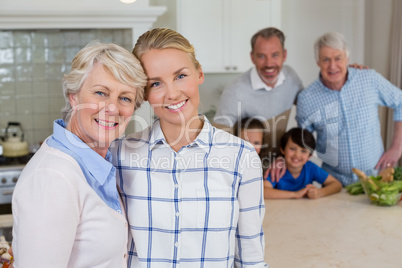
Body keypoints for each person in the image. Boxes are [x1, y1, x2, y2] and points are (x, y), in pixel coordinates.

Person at [111, 28, 267, 267]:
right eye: (156, 83)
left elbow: (250, 258)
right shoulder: (120, 155)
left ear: (199, 73)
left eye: (180, 76)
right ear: (144, 92)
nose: (172, 94)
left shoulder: (241, 157)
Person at [11, 41, 147, 267]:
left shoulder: (99, 163)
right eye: (101, 92)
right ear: (74, 96)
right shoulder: (53, 177)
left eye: (125, 98)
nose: (112, 108)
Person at [296, 32, 402, 186]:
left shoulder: (369, 79)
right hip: (334, 184)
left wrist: (397, 147)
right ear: (317, 62)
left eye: (338, 58)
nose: (332, 66)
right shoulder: (306, 99)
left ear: (347, 58)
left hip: (377, 179)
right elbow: (303, 142)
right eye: (326, 59)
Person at [214, 27, 303, 161]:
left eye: (275, 55)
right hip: (246, 164)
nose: (269, 64)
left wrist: (344, 80)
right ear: (252, 57)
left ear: (284, 55)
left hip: (279, 164)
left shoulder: (291, 78)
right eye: (261, 56)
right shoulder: (236, 91)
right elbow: (219, 140)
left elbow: (309, 103)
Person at [264, 128, 342, 199]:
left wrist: (319, 192)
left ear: (310, 156)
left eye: (303, 151)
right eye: (292, 149)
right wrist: (295, 194)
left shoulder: (311, 168)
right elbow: (262, 191)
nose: (297, 155)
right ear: (282, 149)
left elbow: (337, 185)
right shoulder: (277, 169)